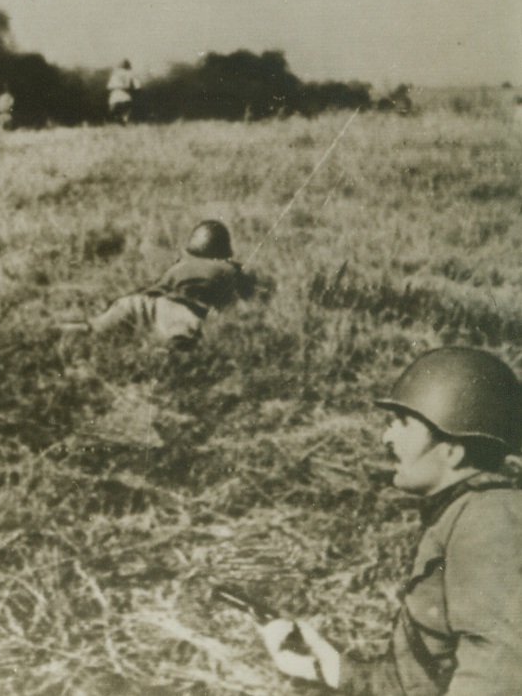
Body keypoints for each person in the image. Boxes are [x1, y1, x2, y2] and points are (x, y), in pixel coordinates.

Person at [260, 347, 522, 694]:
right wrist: (331, 666)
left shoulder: (490, 519)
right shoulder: (461, 512)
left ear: (452, 451)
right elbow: (417, 680)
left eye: (402, 423)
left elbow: (496, 674)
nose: (387, 437)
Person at [82, 220, 259, 347]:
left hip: (141, 303)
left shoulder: (181, 265)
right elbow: (250, 294)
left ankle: (65, 330)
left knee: (94, 330)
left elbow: (157, 287)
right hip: (180, 312)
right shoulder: (229, 270)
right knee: (179, 344)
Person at [107, 59, 139, 125]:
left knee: (113, 110)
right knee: (127, 109)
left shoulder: (115, 73)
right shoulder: (131, 73)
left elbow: (109, 86)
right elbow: (137, 86)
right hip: (126, 94)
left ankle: (120, 119)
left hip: (115, 94)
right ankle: (125, 119)